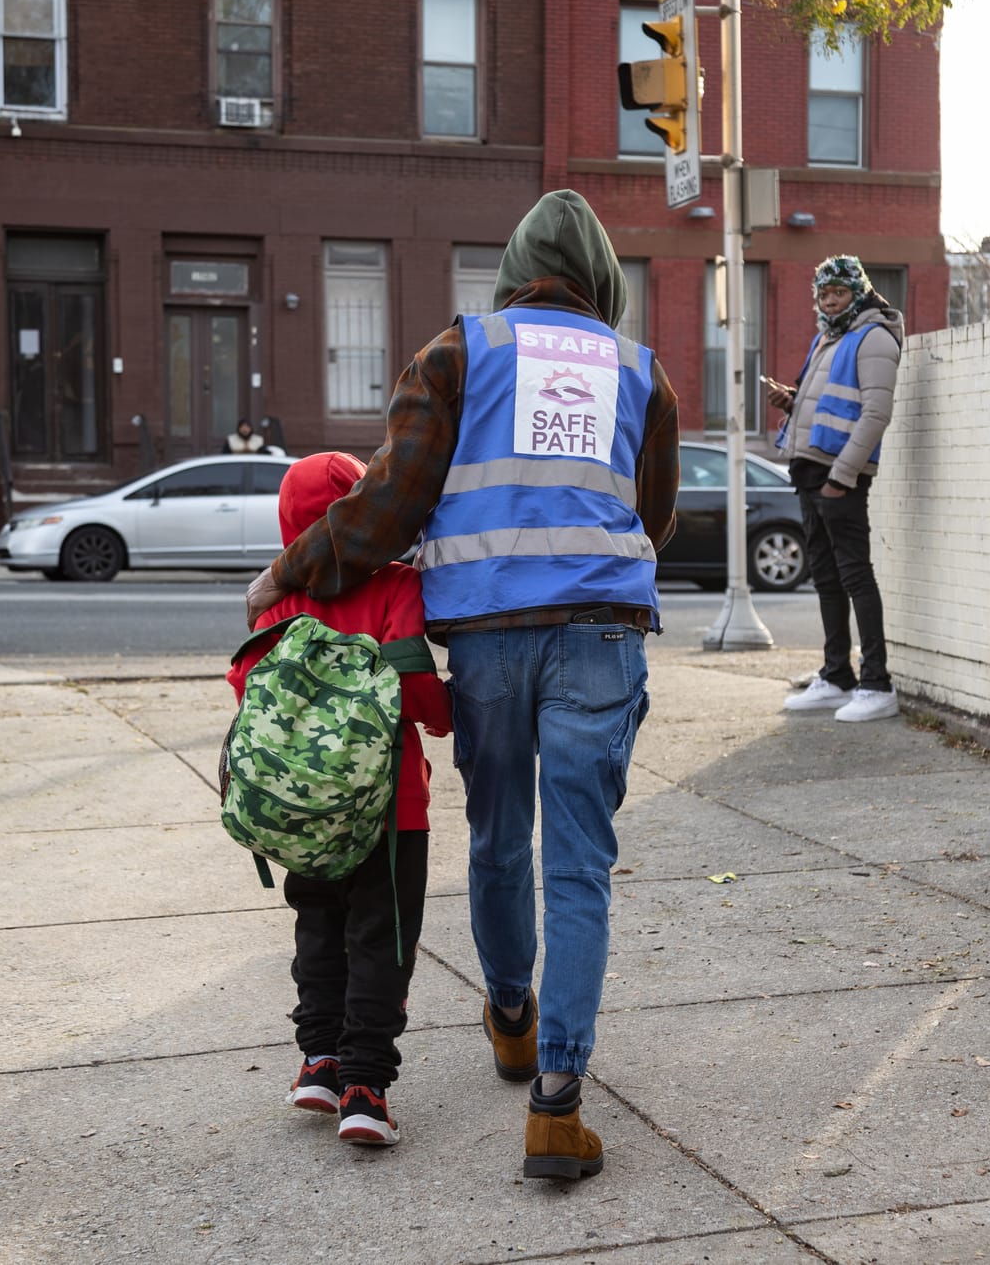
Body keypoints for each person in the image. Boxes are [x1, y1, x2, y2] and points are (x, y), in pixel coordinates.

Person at [246, 189, 678, 1180]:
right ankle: (556, 1105)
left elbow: (388, 503)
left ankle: (512, 1012)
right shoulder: (638, 371)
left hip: (485, 642)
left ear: (513, 265)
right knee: (577, 863)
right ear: (603, 280)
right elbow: (651, 521)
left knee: (496, 836)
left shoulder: (457, 352)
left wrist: (293, 567)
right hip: (600, 636)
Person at [230, 451, 453, 1147]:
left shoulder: (281, 596)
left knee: (319, 932)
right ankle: (365, 1085)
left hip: (306, 812)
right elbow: (413, 683)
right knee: (382, 940)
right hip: (390, 811)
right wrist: (447, 718)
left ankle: (318, 1060)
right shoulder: (395, 584)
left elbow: (247, 684)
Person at [768, 255, 901, 723]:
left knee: (854, 576)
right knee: (824, 578)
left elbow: (875, 414)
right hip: (809, 471)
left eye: (838, 293)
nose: (829, 301)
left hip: (838, 477)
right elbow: (829, 404)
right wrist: (792, 400)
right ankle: (837, 675)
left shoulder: (874, 337)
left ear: (857, 292)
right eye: (823, 294)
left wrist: (842, 478)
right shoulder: (829, 337)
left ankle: (877, 684)